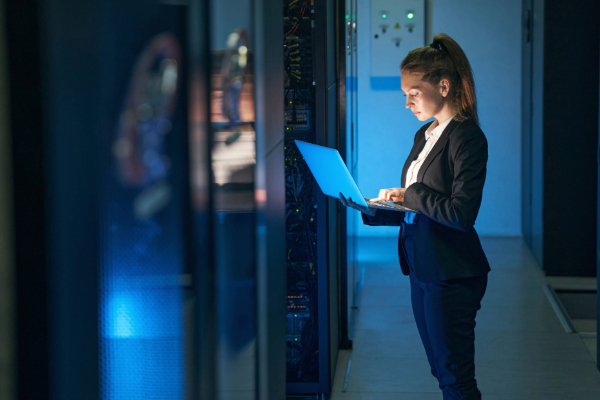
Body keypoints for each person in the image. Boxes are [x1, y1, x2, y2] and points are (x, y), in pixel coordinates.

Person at [339, 33, 490, 400]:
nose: (407, 103)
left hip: (451, 272)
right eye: (404, 93)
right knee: (441, 370)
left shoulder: (467, 138)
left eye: (413, 92)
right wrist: (373, 209)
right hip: (423, 264)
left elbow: (460, 213)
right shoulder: (426, 134)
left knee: (455, 378)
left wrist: (411, 194)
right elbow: (418, 210)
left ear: (443, 85)